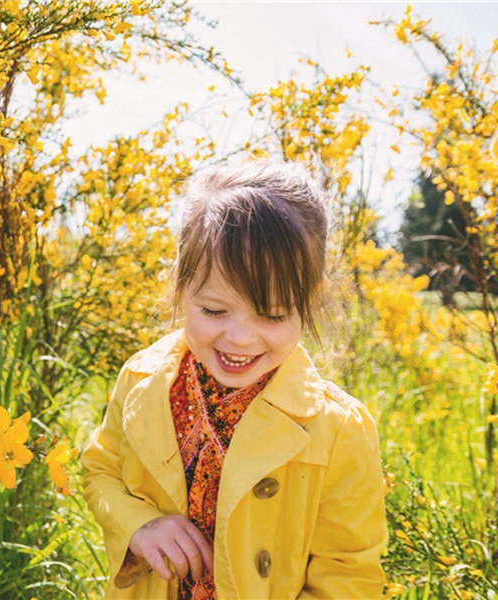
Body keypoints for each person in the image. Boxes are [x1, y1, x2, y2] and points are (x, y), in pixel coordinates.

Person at [81, 159, 388, 599]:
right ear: (181, 285)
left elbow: (349, 577)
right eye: (214, 310)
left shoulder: (338, 430)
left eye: (273, 315)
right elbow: (100, 470)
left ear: (309, 301)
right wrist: (138, 526)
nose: (240, 338)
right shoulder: (143, 379)